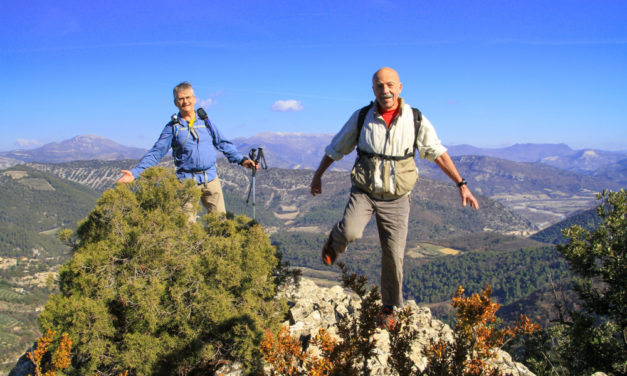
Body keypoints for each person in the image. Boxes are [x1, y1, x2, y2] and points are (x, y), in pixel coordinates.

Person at [310, 67, 479, 328]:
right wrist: (318, 175)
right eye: (379, 86)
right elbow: (336, 147)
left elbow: (438, 153)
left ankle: (389, 308)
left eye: (390, 85)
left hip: (398, 198)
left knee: (393, 254)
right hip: (365, 192)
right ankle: (336, 240)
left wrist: (461, 184)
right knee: (351, 231)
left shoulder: (415, 119)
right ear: (373, 89)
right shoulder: (362, 117)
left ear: (400, 87)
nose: (385, 90)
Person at [118, 81, 256, 217]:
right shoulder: (172, 127)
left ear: (194, 99)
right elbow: (157, 152)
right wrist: (135, 173)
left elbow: (223, 143)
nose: (185, 102)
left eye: (188, 97)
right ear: (175, 102)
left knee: (221, 224)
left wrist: (242, 160)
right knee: (186, 228)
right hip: (186, 182)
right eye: (181, 99)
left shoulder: (205, 122)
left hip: (211, 179)